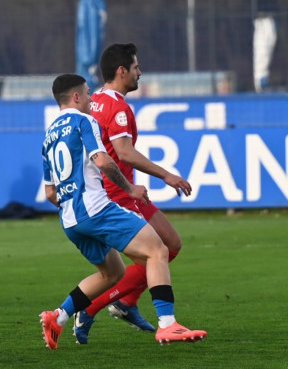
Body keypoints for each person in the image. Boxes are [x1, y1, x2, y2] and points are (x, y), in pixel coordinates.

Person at [39, 74, 206, 348]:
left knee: (112, 274)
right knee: (158, 249)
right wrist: (129, 189)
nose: (92, 99)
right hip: (96, 209)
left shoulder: (48, 137)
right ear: (77, 97)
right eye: (88, 94)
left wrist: (76, 211)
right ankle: (167, 325)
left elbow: (49, 193)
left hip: (70, 219)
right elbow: (103, 160)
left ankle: (58, 317)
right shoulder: (84, 121)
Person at [72, 43, 194, 344]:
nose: (140, 72)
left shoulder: (95, 99)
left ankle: (124, 303)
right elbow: (124, 153)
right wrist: (167, 174)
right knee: (163, 250)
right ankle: (92, 309)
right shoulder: (118, 107)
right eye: (136, 67)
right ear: (122, 71)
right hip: (119, 195)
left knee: (168, 246)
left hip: (111, 191)